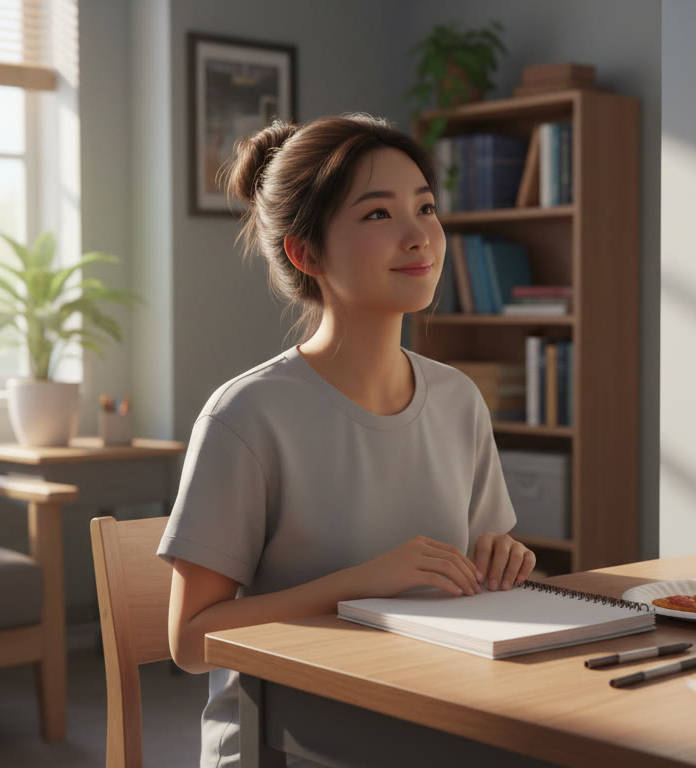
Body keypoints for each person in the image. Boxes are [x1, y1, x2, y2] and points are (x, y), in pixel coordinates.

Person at [158, 112, 535, 767]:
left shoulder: (457, 401)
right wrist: (362, 584)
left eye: (425, 206)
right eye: (378, 216)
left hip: (429, 708)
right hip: (280, 738)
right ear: (308, 254)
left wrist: (499, 557)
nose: (420, 236)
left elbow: (471, 572)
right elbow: (191, 642)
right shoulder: (245, 416)